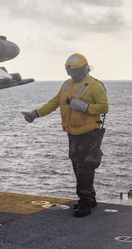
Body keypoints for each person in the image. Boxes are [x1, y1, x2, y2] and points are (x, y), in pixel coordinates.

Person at [21, 53, 109, 217]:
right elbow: (55, 102)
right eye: (70, 72)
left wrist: (85, 107)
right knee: (77, 166)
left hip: (89, 134)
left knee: (85, 167)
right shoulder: (66, 85)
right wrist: (35, 114)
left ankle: (85, 202)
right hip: (73, 133)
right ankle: (90, 197)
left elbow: (104, 107)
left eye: (75, 72)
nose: (72, 75)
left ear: (84, 69)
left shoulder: (95, 86)